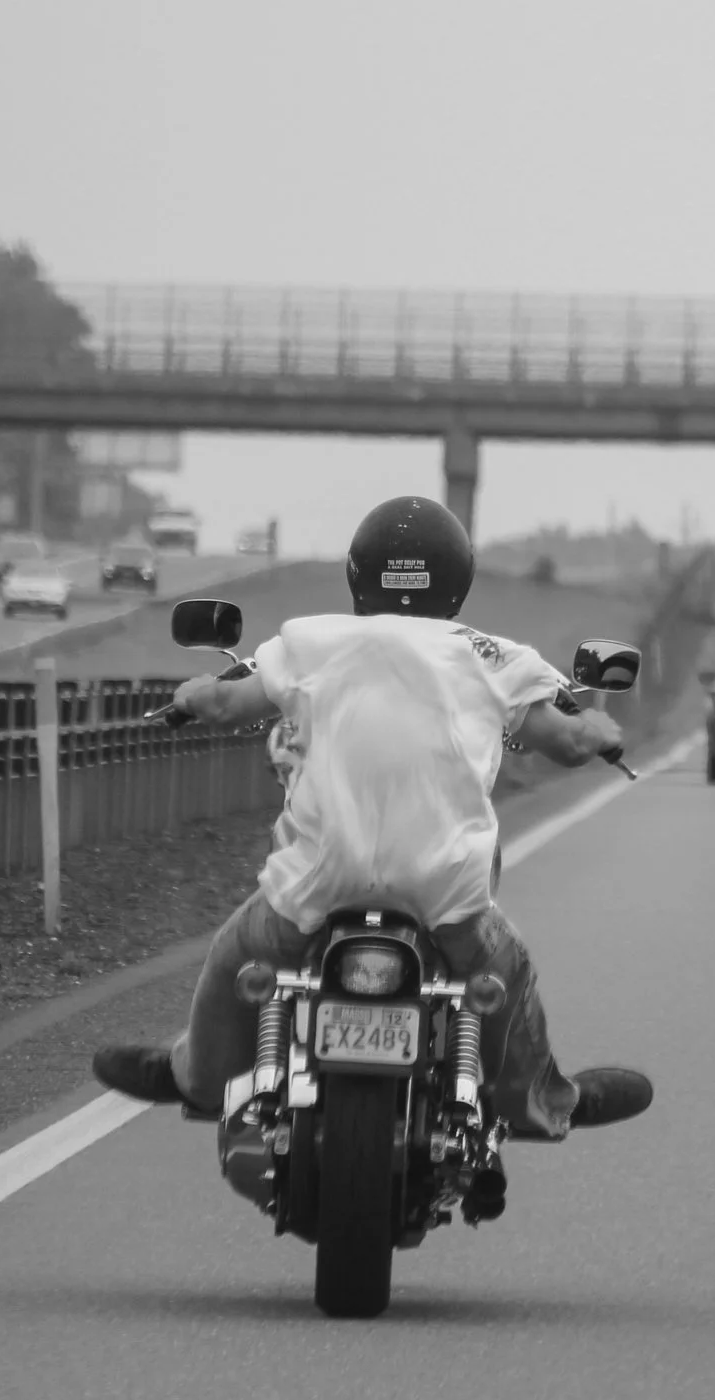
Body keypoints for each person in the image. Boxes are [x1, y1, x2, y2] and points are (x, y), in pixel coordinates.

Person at [93, 495, 653, 1175]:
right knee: (506, 977)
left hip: (318, 879)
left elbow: (219, 700)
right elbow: (566, 740)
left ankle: (197, 1078)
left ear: (360, 573)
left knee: (234, 957)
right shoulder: (493, 654)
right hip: (444, 888)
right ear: (459, 579)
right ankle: (545, 1100)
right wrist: (601, 730)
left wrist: (182, 700)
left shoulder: (308, 640)